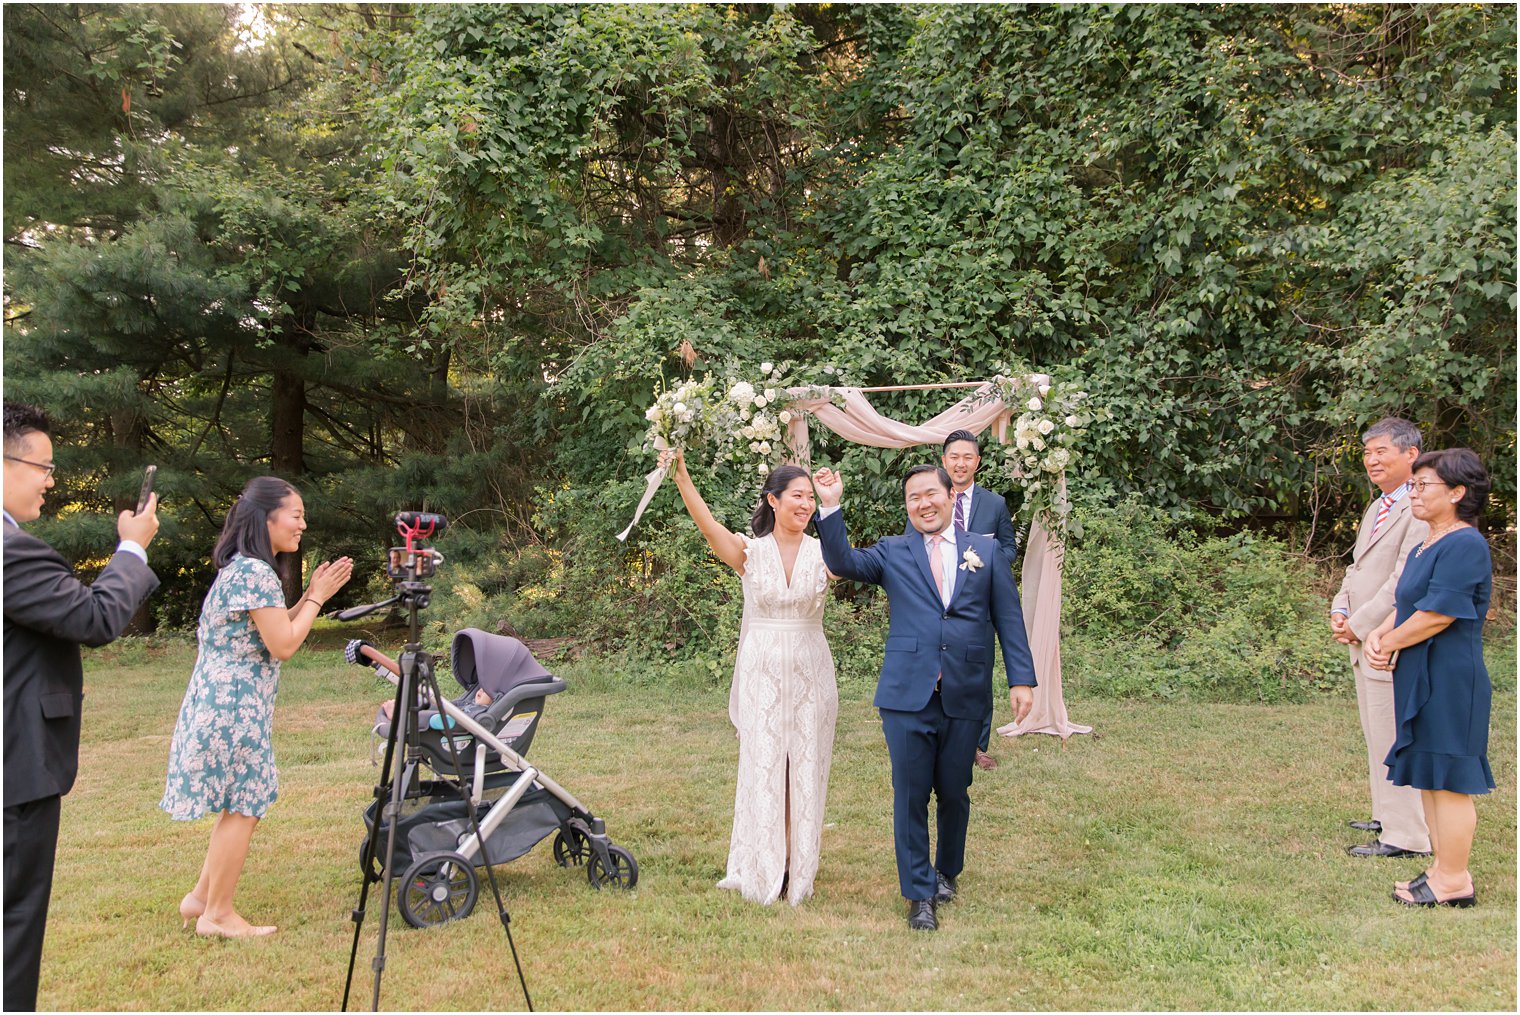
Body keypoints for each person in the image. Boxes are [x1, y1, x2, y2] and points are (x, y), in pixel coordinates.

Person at [813, 463, 1034, 931]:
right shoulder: (893, 552)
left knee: (954, 792)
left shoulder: (985, 550)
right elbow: (842, 563)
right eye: (913, 497)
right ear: (907, 506)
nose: (923, 503)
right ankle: (919, 894)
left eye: (930, 494)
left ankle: (947, 871)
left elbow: (1009, 619)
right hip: (906, 694)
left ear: (950, 496)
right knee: (910, 794)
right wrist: (830, 506)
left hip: (965, 690)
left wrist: (1021, 680)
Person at [3, 403, 161, 1010]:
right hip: (15, 770)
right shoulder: (13, 552)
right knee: (13, 924)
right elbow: (93, 617)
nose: (50, 480)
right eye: (41, 466)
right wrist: (133, 548)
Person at [160, 476, 353, 938]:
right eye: (297, 514)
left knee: (240, 803)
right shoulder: (253, 572)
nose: (303, 523)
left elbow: (274, 624)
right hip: (232, 708)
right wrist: (319, 597)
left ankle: (202, 898)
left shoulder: (243, 569)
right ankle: (218, 915)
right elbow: (284, 644)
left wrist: (310, 596)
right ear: (267, 517)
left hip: (224, 703)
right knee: (245, 805)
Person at [659, 447, 838, 906]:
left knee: (805, 766)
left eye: (810, 498)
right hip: (761, 671)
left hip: (809, 672)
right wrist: (682, 478)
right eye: (796, 496)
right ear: (773, 500)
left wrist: (834, 507)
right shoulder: (750, 553)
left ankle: (797, 867)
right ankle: (761, 863)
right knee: (763, 765)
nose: (804, 505)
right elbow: (708, 527)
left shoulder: (825, 552)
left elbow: (858, 562)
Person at [1364, 448, 1493, 908]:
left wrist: (1393, 641)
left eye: (1424, 486)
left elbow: (1438, 613)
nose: (1414, 493)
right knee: (1432, 776)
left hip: (1450, 678)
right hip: (1420, 674)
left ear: (1458, 493)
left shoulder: (1465, 544)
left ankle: (1455, 880)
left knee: (1452, 778)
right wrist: (1380, 634)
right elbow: (1409, 602)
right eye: (1414, 485)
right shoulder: (1426, 543)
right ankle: (1442, 869)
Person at [1330, 418, 1432, 859]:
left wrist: (1362, 623)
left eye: (1381, 451)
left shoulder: (1421, 506)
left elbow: (1402, 580)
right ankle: (1385, 813)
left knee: (1395, 734)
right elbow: (1358, 568)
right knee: (1376, 732)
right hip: (1361, 634)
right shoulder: (1379, 506)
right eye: (1368, 452)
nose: (1372, 460)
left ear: (1411, 454)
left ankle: (1407, 836)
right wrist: (1340, 607)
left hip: (1389, 637)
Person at [903, 429, 1018, 770]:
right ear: (944, 461)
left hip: (976, 605)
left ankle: (977, 746)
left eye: (968, 457)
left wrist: (983, 561)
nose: (961, 463)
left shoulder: (995, 504)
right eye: (954, 456)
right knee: (932, 670)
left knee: (978, 676)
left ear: (977, 462)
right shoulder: (926, 500)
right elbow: (912, 546)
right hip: (934, 605)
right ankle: (934, 737)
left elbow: (1008, 548)